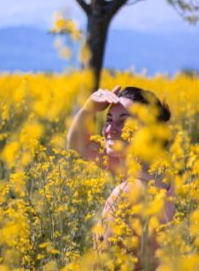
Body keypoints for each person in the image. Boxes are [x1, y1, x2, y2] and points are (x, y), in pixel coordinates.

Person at [67, 86, 175, 269]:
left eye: (123, 122)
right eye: (108, 120)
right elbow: (79, 144)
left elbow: (104, 265)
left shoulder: (125, 194)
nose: (110, 129)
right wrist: (89, 108)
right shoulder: (162, 176)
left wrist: (88, 109)